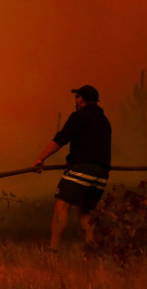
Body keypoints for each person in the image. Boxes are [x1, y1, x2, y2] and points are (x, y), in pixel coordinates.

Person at [33, 85, 112, 253]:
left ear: (81, 99)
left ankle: (52, 250)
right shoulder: (105, 121)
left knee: (61, 207)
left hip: (82, 169)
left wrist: (41, 159)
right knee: (85, 210)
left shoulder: (79, 116)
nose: (75, 100)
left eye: (76, 96)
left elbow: (60, 140)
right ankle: (90, 248)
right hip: (101, 173)